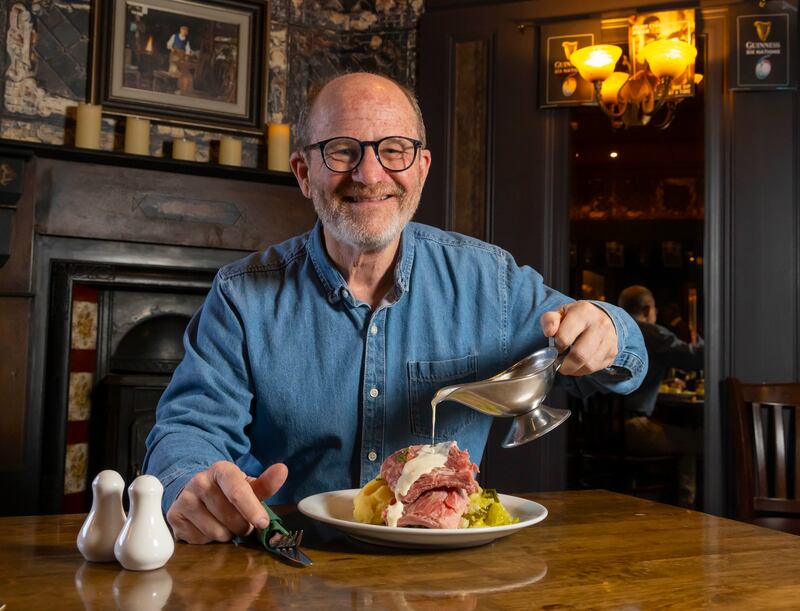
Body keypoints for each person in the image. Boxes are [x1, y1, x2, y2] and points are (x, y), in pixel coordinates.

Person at [143, 72, 647, 544]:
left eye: (394, 150)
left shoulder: (489, 282)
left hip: (443, 580)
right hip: (288, 565)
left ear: (421, 169)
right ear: (303, 172)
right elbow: (188, 430)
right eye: (342, 150)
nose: (369, 174)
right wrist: (191, 483)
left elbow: (623, 357)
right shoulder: (241, 295)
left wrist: (609, 327)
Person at [617, 284, 703, 505]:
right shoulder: (650, 332)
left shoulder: (611, 329)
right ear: (648, 309)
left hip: (599, 430)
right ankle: (687, 507)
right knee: (697, 442)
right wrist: (706, 338)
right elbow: (693, 358)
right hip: (633, 429)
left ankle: (649, 496)